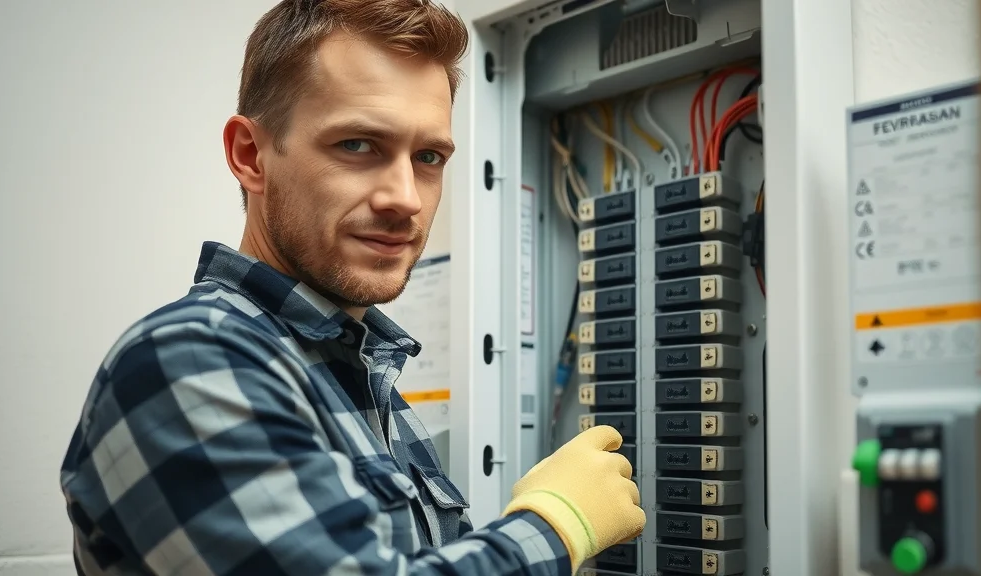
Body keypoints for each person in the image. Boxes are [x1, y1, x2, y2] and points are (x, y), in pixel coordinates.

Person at [59, 0, 646, 574]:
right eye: (358, 145)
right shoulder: (187, 362)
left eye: (428, 156)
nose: (405, 198)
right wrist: (557, 524)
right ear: (250, 155)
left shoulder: (360, 374)